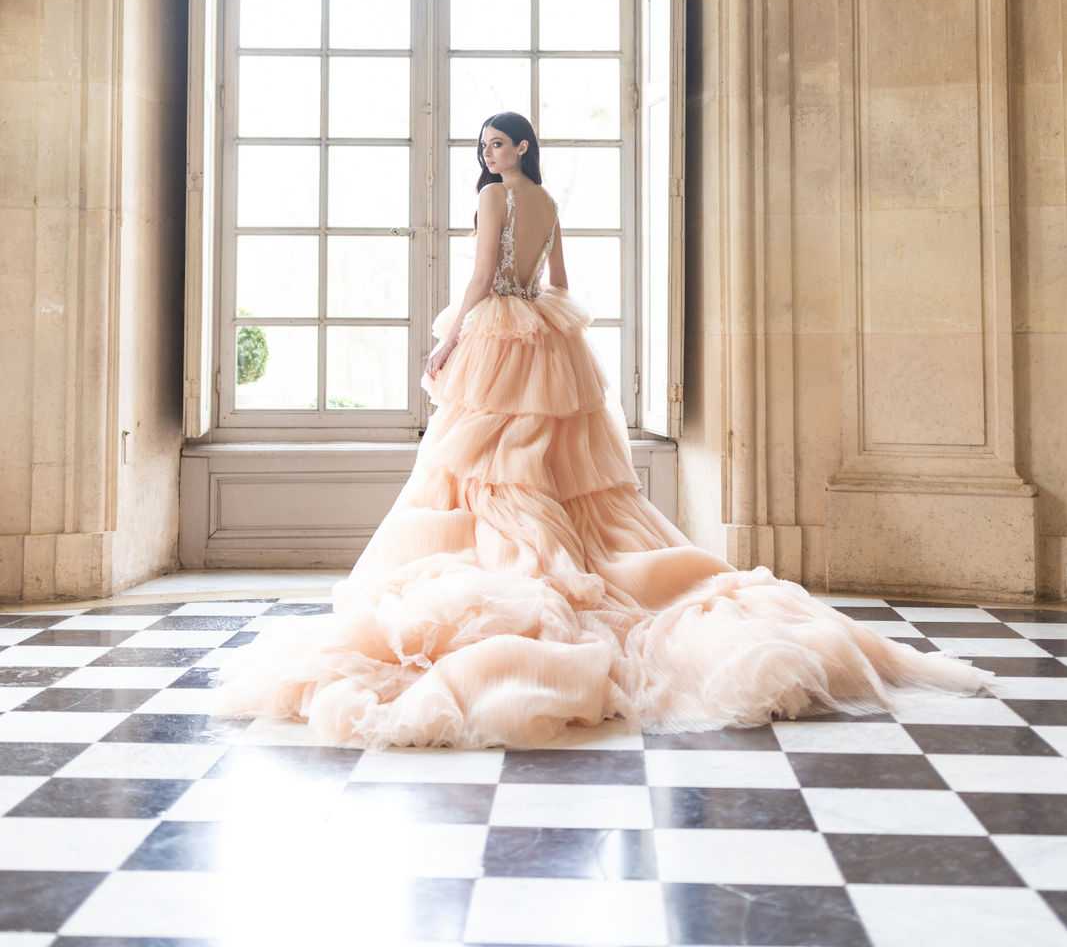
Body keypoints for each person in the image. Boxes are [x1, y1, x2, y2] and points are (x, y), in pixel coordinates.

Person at [209, 110, 1003, 749]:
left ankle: (514, 558)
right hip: (548, 336)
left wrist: (449, 339)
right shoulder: (550, 202)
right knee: (542, 457)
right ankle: (553, 551)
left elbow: (485, 275)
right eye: (483, 144)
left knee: (482, 461)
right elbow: (560, 282)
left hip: (496, 330)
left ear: (521, 147)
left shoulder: (494, 199)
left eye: (497, 142)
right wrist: (542, 321)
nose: (487, 154)